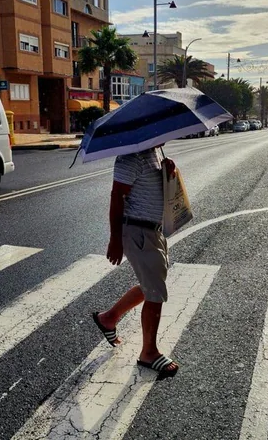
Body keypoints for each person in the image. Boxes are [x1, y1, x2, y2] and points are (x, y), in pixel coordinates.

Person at [92, 145, 179, 378]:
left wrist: (167, 172)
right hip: (138, 231)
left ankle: (108, 318)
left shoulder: (155, 151)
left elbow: (150, 188)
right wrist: (115, 240)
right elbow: (116, 197)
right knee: (155, 292)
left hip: (153, 230)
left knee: (151, 285)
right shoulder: (131, 157)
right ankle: (148, 353)